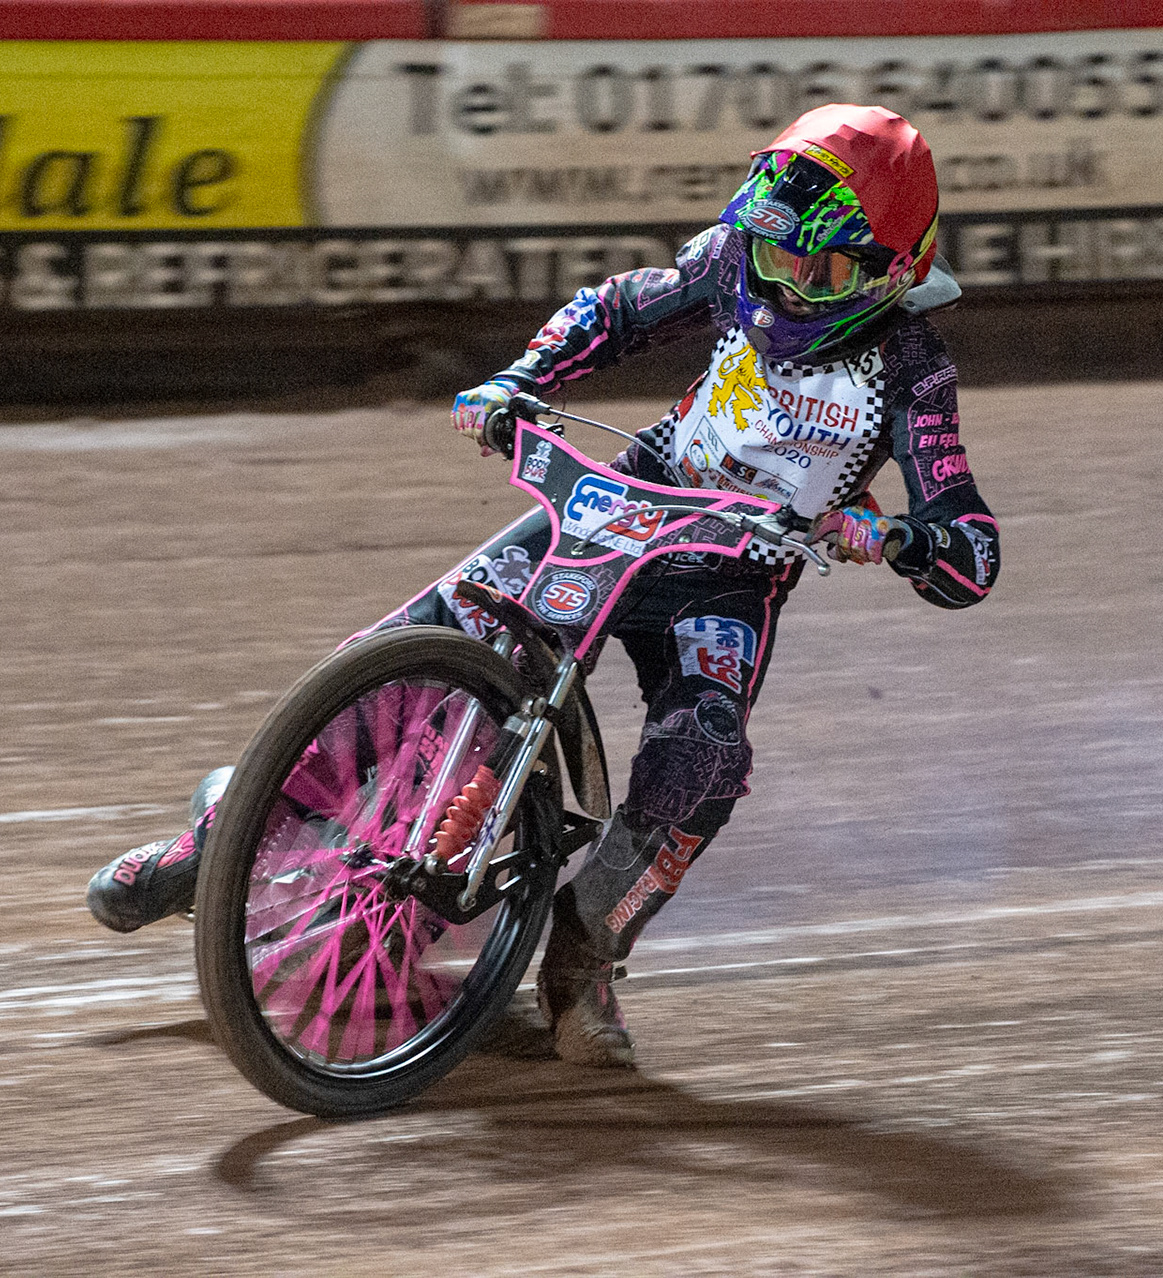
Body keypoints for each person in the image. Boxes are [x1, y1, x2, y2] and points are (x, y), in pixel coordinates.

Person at [87, 104, 1001, 1068]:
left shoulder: (914, 370)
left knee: (701, 756)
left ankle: (584, 955)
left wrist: (899, 536)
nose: (789, 287)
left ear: (895, 269)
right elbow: (616, 308)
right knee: (411, 650)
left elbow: (971, 550)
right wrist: (519, 379)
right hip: (627, 497)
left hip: (731, 578)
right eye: (778, 257)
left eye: (826, 273)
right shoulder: (735, 257)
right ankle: (220, 840)